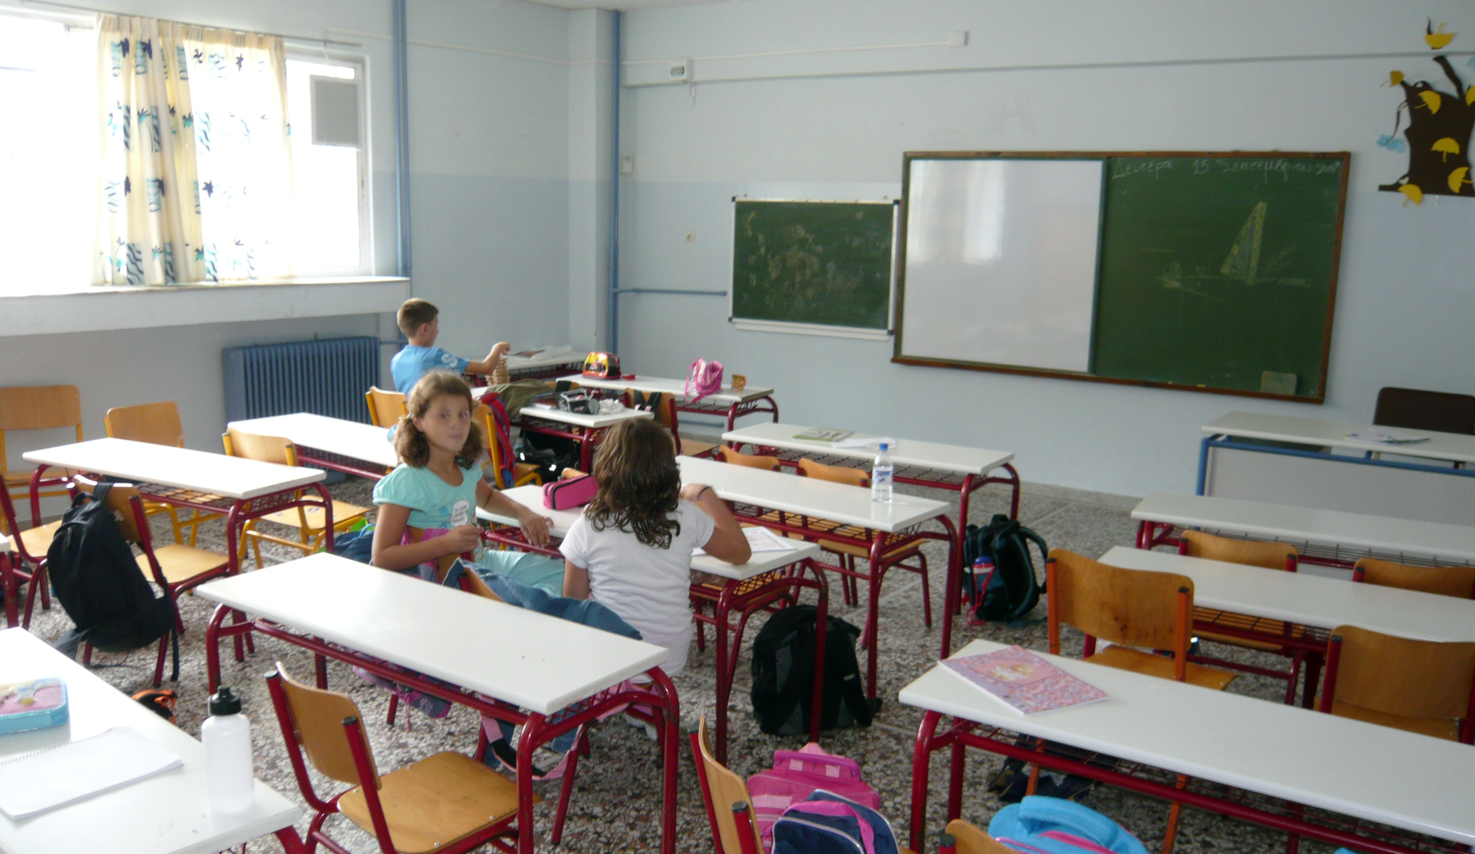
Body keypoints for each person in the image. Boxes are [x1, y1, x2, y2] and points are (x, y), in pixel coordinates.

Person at [560, 419, 751, 676]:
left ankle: (622, 699)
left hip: (608, 659)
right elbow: (741, 552)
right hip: (669, 659)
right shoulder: (685, 514)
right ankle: (645, 702)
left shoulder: (589, 523)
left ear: (604, 467)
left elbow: (573, 606)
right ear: (667, 468)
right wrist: (706, 494)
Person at [370, 371, 564, 592]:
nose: (456, 424)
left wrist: (523, 513)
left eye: (462, 415)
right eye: (444, 415)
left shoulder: (466, 466)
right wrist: (444, 544)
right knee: (525, 599)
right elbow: (382, 556)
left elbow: (488, 497)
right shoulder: (407, 480)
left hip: (480, 562)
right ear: (419, 422)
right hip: (440, 580)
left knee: (563, 577)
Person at [390, 297, 511, 395]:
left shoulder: (396, 361)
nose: (437, 332)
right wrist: (498, 348)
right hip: (432, 422)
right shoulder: (434, 356)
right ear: (425, 328)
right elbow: (487, 368)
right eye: (435, 326)